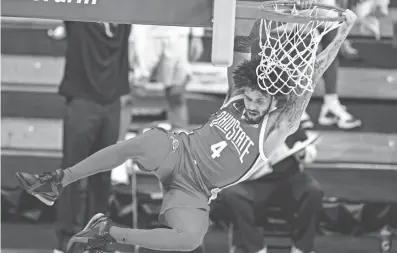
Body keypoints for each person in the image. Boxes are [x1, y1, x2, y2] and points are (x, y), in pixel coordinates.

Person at [15, 3, 357, 252]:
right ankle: (58, 181)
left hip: (196, 191)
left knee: (191, 238)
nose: (251, 104)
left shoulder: (280, 123)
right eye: (250, 96)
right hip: (179, 152)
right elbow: (240, 47)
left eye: (258, 101)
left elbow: (311, 76)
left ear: (273, 102)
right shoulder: (237, 95)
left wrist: (341, 34)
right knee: (145, 141)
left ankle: (106, 232)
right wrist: (246, 17)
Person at [46, 21, 131, 253]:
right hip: (83, 101)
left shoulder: (123, 19)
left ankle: (97, 240)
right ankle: (65, 241)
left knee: (102, 178)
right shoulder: (80, 17)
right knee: (72, 174)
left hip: (112, 103)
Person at [215, 124, 322, 253]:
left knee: (313, 191)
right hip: (255, 183)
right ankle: (255, 247)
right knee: (231, 194)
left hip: (290, 180)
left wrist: (303, 153)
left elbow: (310, 151)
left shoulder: (289, 121)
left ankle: (302, 247)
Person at [130, 25, 204, 129]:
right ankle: (119, 141)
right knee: (133, 90)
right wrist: (131, 38)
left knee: (176, 93)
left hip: (177, 30)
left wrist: (197, 36)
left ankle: (180, 140)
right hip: (144, 29)